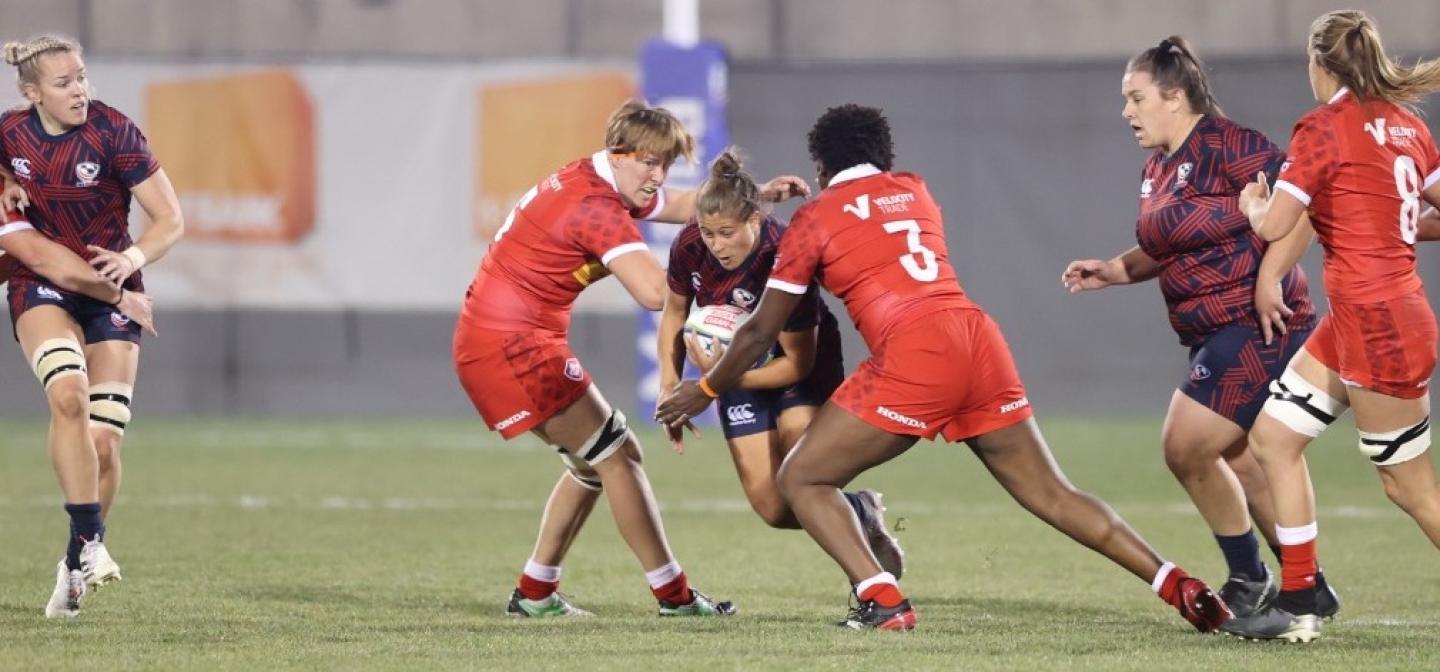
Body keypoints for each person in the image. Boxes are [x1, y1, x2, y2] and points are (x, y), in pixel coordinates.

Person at [657, 104, 1230, 632]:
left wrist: (703, 387)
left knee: (800, 478)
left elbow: (760, 329)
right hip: (978, 341)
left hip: (913, 352)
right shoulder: (916, 190)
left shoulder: (814, 217)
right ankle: (1177, 583)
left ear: (822, 166)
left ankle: (882, 599)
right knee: (1054, 493)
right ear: (883, 156)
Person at [453, 101, 808, 617]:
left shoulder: (593, 177)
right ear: (618, 154)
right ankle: (674, 597)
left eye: (666, 164)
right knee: (619, 457)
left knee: (593, 464)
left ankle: (535, 593)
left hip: (499, 338)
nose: (658, 176)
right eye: (649, 163)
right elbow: (652, 292)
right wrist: (719, 283)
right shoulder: (597, 208)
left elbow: (681, 204)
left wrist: (751, 199)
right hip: (513, 345)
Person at [1060, 36, 1339, 619]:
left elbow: (1304, 206)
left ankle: (1249, 577)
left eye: (1136, 98)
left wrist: (1270, 279)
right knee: (1239, 459)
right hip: (1211, 331)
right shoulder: (1158, 165)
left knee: (1184, 445)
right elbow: (1166, 243)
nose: (1126, 111)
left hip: (1259, 322)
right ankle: (1306, 583)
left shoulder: (1232, 145)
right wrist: (1114, 270)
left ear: (1175, 97)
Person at [1221, 10, 1440, 642]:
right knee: (1273, 438)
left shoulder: (1322, 128)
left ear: (1319, 64)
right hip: (1366, 318)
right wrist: (1395, 225)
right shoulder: (1408, 126)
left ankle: (1298, 602)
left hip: (1379, 326)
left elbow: (1272, 225)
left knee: (1410, 488)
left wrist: (1253, 203)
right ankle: (1300, 600)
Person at [0, 34, 183, 618]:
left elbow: (170, 219)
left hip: (112, 289)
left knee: (104, 443)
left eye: (81, 76)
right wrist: (3, 178)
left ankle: (76, 557)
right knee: (69, 396)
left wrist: (131, 259)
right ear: (33, 93)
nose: (79, 90)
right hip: (43, 285)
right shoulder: (10, 132)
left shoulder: (113, 131)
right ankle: (93, 541)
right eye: (64, 82)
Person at [656, 148, 904, 577]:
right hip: (734, 366)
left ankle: (868, 585)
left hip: (800, 366)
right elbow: (674, 312)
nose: (716, 245)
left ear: (754, 219)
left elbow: (796, 364)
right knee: (774, 508)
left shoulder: (783, 253)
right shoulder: (690, 245)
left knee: (802, 472)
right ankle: (861, 509)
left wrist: (713, 383)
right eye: (709, 233)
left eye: (726, 233)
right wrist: (670, 387)